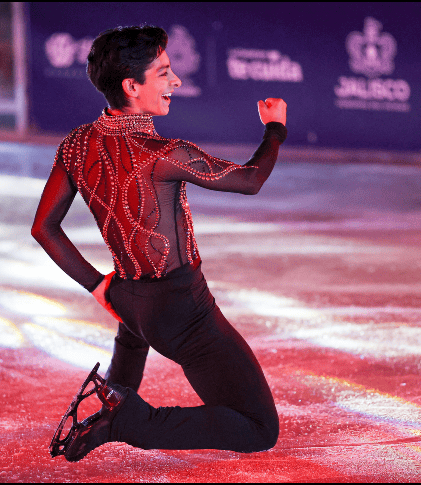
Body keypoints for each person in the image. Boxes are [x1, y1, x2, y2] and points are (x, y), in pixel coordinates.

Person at [31, 25, 287, 462]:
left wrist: (99, 287)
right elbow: (250, 180)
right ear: (132, 86)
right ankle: (129, 420)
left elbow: (44, 228)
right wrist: (275, 127)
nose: (176, 82)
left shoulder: (76, 145)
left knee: (134, 334)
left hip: (131, 301)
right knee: (259, 428)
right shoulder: (163, 152)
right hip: (182, 312)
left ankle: (113, 395)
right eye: (164, 73)